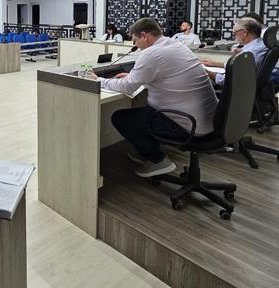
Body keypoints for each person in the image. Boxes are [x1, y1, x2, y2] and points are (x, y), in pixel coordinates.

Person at [94, 17, 218, 178]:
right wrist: (132, 76)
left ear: (144, 36)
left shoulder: (151, 53)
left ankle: (158, 160)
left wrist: (99, 80)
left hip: (188, 126)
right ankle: (146, 152)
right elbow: (165, 75)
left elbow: (127, 87)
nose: (135, 45)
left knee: (121, 118)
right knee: (146, 110)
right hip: (210, 120)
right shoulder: (176, 45)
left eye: (134, 40)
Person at [203, 17, 268, 86]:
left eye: (235, 33)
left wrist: (212, 75)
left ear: (244, 32)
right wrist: (216, 64)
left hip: (243, 88)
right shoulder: (262, 44)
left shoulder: (250, 53)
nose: (235, 37)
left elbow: (235, 81)